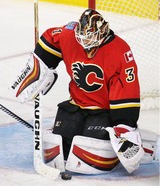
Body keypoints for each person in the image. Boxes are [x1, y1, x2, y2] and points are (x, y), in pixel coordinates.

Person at [10, 9, 149, 174]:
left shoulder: (120, 50)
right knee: (64, 147)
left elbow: (127, 89)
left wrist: (125, 125)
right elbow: (51, 37)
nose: (85, 41)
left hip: (102, 111)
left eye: (90, 37)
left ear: (102, 32)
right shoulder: (70, 35)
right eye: (83, 36)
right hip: (75, 105)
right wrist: (38, 65)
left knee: (92, 145)